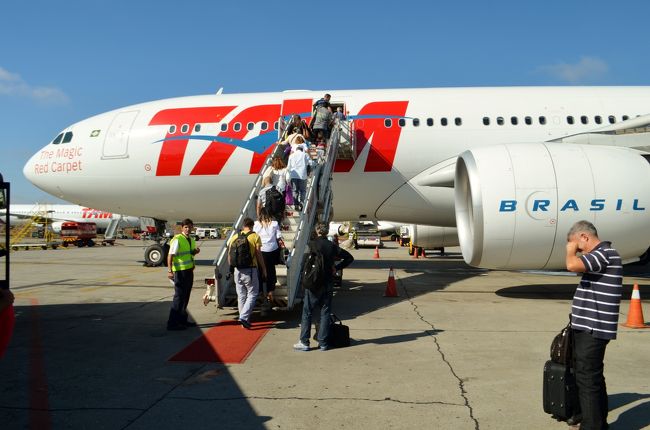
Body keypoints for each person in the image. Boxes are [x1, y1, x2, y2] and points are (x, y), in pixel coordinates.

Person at [565, 220, 622, 430]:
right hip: (588, 326)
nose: (578, 251)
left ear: (584, 237)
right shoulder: (600, 255)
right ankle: (596, 421)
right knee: (590, 375)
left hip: (594, 328)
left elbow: (571, 265)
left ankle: (593, 426)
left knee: (588, 377)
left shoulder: (604, 253)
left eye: (578, 246)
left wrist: (570, 250)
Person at [294, 222, 354, 351]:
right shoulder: (332, 246)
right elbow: (349, 258)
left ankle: (304, 342)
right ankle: (323, 343)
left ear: (317, 230)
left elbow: (303, 263)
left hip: (313, 283)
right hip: (327, 283)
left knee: (307, 312)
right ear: (326, 232)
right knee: (325, 313)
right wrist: (336, 268)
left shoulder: (311, 245)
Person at [228, 217, 266, 328]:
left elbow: (229, 253)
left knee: (241, 296)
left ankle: (244, 321)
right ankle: (244, 317)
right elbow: (258, 254)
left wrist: (231, 266)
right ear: (252, 225)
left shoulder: (235, 236)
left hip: (237, 270)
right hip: (250, 269)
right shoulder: (255, 236)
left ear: (243, 225)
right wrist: (263, 269)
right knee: (253, 293)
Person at [166, 218, 200, 330]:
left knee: (185, 297)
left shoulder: (190, 239)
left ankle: (182, 320)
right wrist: (170, 271)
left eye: (190, 227)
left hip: (189, 271)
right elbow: (170, 255)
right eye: (186, 227)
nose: (188, 229)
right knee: (179, 297)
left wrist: (194, 252)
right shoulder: (178, 239)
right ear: (182, 228)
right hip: (180, 272)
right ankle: (172, 323)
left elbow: (187, 254)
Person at [254, 208, 284, 302]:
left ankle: (261, 291)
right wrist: (282, 245)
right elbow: (279, 237)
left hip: (261, 250)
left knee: (261, 270)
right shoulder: (274, 223)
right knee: (271, 269)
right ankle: (271, 290)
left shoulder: (256, 224)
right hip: (272, 250)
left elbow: (254, 236)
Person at [286, 145, 311, 211]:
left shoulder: (291, 156)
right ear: (302, 149)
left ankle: (296, 204)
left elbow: (288, 167)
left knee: (295, 190)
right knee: (303, 190)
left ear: (296, 149)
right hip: (303, 175)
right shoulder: (305, 154)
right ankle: (302, 203)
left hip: (294, 175)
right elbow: (310, 163)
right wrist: (316, 164)